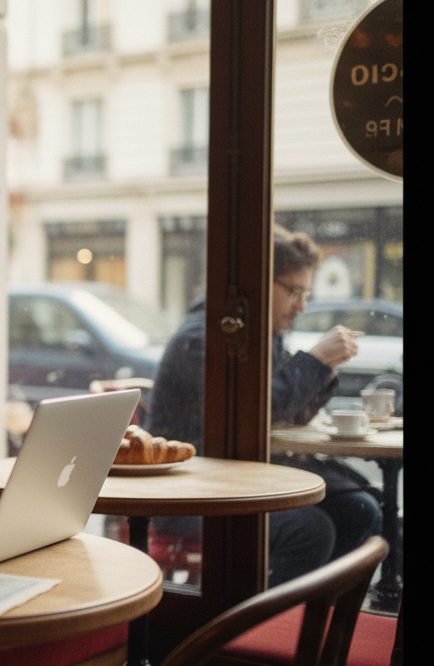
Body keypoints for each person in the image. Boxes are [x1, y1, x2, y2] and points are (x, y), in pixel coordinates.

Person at [145, 225, 382, 586]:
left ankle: (317, 621)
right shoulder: (205, 335)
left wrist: (325, 368)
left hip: (236, 480)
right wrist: (315, 361)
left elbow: (292, 411)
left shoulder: (260, 334)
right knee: (310, 530)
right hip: (190, 493)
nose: (301, 306)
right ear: (257, 282)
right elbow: (256, 412)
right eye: (294, 291)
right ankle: (252, 627)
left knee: (359, 510)